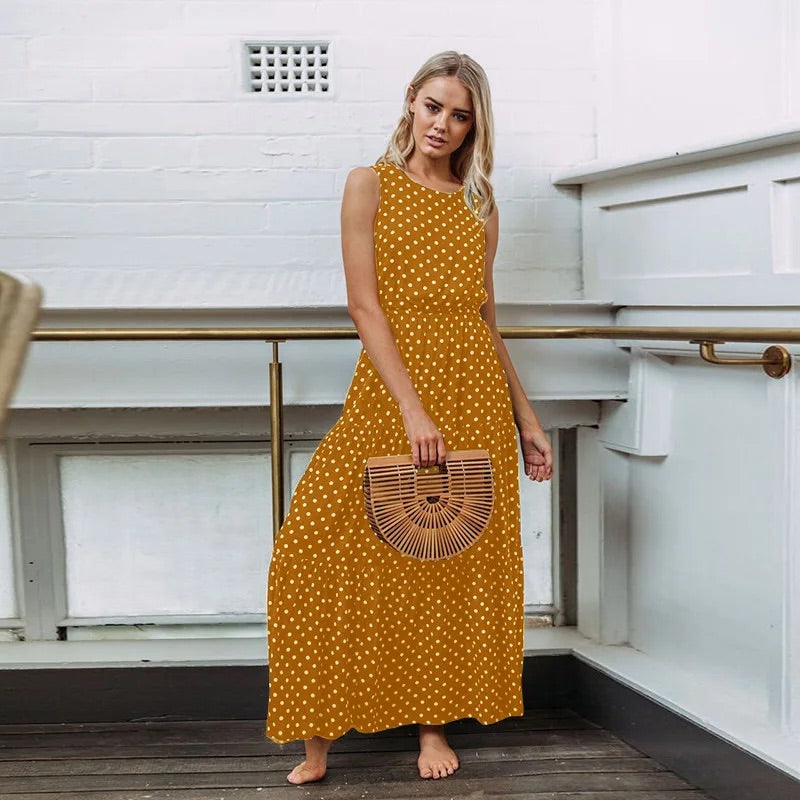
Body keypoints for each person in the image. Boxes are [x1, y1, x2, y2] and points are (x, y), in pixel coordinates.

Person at [265, 50, 554, 785]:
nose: (443, 125)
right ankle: (316, 738)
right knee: (315, 550)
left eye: (460, 116)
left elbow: (486, 319)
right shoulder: (369, 185)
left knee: (442, 561)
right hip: (394, 392)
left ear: (474, 127)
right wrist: (412, 408)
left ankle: (433, 726)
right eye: (433, 107)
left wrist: (526, 418)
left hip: (473, 393)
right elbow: (364, 305)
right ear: (410, 101)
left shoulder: (479, 205)